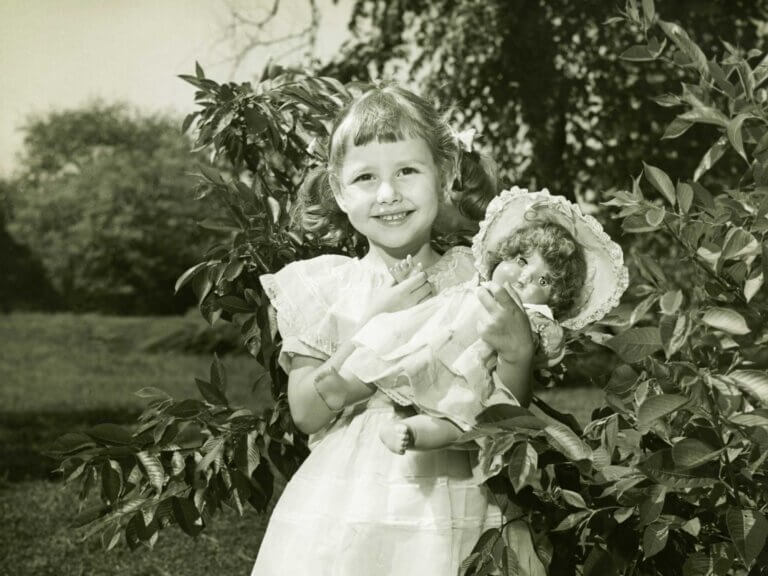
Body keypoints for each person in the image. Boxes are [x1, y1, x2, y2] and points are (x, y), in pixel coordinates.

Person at [251, 86, 538, 575]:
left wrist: (518, 354)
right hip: (351, 502)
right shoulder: (326, 287)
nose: (388, 194)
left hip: (462, 489)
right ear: (340, 192)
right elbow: (305, 412)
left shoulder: (475, 278)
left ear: (444, 176)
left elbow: (503, 411)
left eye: (407, 170)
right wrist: (371, 330)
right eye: (365, 177)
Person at [320, 188, 628, 457]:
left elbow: (543, 346)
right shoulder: (472, 285)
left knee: (459, 421)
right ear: (503, 256)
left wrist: (535, 333)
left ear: (556, 298)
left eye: (543, 280)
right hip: (426, 346)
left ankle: (409, 433)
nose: (524, 277)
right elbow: (435, 310)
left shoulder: (532, 315)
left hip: (468, 375)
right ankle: (346, 389)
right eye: (521, 261)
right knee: (386, 346)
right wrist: (411, 283)